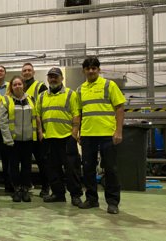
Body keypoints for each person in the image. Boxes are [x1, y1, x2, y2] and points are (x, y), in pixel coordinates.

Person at [77, 57, 125, 214]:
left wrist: (118, 131)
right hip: (88, 134)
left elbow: (119, 107)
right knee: (88, 168)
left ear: (98, 70)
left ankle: (112, 202)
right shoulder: (80, 90)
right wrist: (78, 132)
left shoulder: (108, 85)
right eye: (88, 68)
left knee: (111, 169)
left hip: (107, 134)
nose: (91, 71)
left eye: (94, 68)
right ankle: (91, 199)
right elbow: (79, 113)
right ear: (84, 71)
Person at [36, 68, 83, 206]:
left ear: (62, 78)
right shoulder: (42, 96)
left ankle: (75, 195)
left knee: (72, 169)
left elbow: (76, 114)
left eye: (55, 77)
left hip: (67, 138)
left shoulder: (71, 94)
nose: (53, 79)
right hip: (49, 138)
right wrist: (40, 133)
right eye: (50, 77)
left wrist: (74, 134)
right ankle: (58, 194)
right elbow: (38, 115)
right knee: (53, 169)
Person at [0, 75, 37, 203]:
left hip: (28, 140)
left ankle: (25, 190)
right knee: (14, 167)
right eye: (14, 84)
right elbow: (3, 122)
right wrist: (8, 140)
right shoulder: (6, 100)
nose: (17, 86)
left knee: (27, 167)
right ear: (11, 87)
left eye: (19, 84)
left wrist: (35, 137)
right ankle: (16, 190)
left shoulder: (31, 100)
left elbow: (36, 119)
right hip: (13, 142)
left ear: (23, 85)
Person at [22, 63, 50, 196]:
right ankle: (26, 185)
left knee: (42, 161)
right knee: (26, 162)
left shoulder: (40, 86)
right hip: (25, 132)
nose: (27, 72)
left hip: (38, 131)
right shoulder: (20, 87)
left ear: (33, 73)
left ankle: (46, 187)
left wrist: (41, 131)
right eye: (24, 71)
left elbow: (44, 108)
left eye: (29, 70)